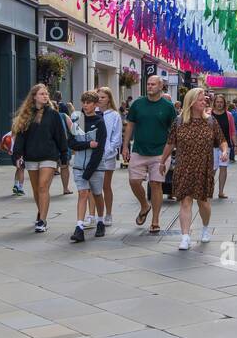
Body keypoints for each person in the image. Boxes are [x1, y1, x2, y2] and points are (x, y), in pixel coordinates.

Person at [160, 88, 228, 250]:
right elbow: (170, 143)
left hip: (203, 167)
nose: (205, 102)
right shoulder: (179, 121)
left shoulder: (210, 121)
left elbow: (222, 141)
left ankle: (205, 228)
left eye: (205, 99)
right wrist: (162, 161)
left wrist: (224, 152)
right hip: (184, 167)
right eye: (201, 100)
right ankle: (185, 236)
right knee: (185, 201)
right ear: (191, 102)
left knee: (203, 202)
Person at [10, 84, 69, 233]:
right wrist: (17, 155)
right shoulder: (26, 115)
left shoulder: (54, 114)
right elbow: (20, 138)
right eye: (42, 94)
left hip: (49, 156)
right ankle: (40, 211)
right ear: (34, 96)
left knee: (43, 187)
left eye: (46, 94)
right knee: (36, 190)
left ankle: (42, 220)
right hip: (31, 157)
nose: (45, 96)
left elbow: (60, 136)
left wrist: (64, 155)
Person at [124, 74, 179, 233]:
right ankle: (144, 205)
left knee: (156, 184)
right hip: (139, 150)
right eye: (148, 84)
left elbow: (174, 130)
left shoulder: (168, 106)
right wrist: (125, 146)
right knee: (134, 181)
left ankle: (155, 220)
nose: (149, 87)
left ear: (161, 87)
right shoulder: (138, 104)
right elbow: (130, 125)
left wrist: (172, 149)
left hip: (160, 153)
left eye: (153, 84)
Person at [67, 91, 106, 242]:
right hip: (78, 166)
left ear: (95, 104)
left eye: (89, 102)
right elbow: (71, 143)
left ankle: (100, 221)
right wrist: (88, 144)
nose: (85, 105)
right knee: (83, 194)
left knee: (97, 194)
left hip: (95, 166)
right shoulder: (77, 119)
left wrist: (89, 171)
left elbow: (100, 148)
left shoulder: (99, 122)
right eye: (83, 102)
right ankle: (79, 228)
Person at [94, 87, 123, 226]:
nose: (100, 99)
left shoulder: (114, 115)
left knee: (105, 185)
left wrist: (108, 151)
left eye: (103, 97)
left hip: (107, 156)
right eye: (98, 97)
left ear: (109, 99)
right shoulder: (92, 113)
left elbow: (117, 137)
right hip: (92, 154)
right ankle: (92, 214)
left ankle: (108, 213)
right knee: (93, 186)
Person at [209, 93, 236, 199]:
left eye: (221, 102)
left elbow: (233, 131)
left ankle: (221, 191)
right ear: (214, 103)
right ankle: (209, 190)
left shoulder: (228, 115)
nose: (219, 104)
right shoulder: (209, 114)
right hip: (211, 146)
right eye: (217, 102)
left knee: (223, 168)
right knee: (213, 169)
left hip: (225, 146)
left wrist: (236, 145)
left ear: (224, 104)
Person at [58, 101, 76, 196]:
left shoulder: (47, 116)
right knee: (64, 167)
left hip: (51, 146)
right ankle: (65, 188)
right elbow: (73, 130)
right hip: (64, 145)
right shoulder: (64, 116)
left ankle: (44, 189)